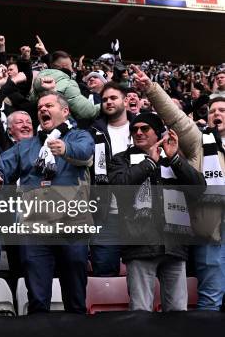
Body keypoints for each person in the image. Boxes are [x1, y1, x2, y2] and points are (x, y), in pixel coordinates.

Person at [0, 91, 94, 313]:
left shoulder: (78, 136)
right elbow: (3, 166)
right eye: (40, 107)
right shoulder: (25, 146)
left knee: (75, 298)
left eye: (49, 106)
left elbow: (85, 152)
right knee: (37, 298)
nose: (43, 109)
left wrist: (66, 149)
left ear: (65, 111)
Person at [136, 67, 225, 311]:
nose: (216, 114)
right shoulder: (200, 142)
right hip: (212, 226)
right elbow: (176, 119)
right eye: (212, 111)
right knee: (210, 295)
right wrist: (152, 89)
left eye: (222, 110)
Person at [109, 113, 205, 311]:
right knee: (140, 311)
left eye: (145, 128)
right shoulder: (121, 159)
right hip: (139, 245)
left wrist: (176, 159)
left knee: (178, 311)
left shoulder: (173, 158)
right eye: (134, 129)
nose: (138, 132)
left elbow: (199, 188)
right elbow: (118, 186)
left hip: (174, 245)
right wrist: (150, 163)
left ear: (157, 133)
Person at [88, 82, 135, 277]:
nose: (108, 102)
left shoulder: (142, 128)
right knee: (104, 273)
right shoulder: (92, 131)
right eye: (104, 99)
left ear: (126, 100)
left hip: (139, 213)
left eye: (113, 98)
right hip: (105, 213)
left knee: (142, 275)